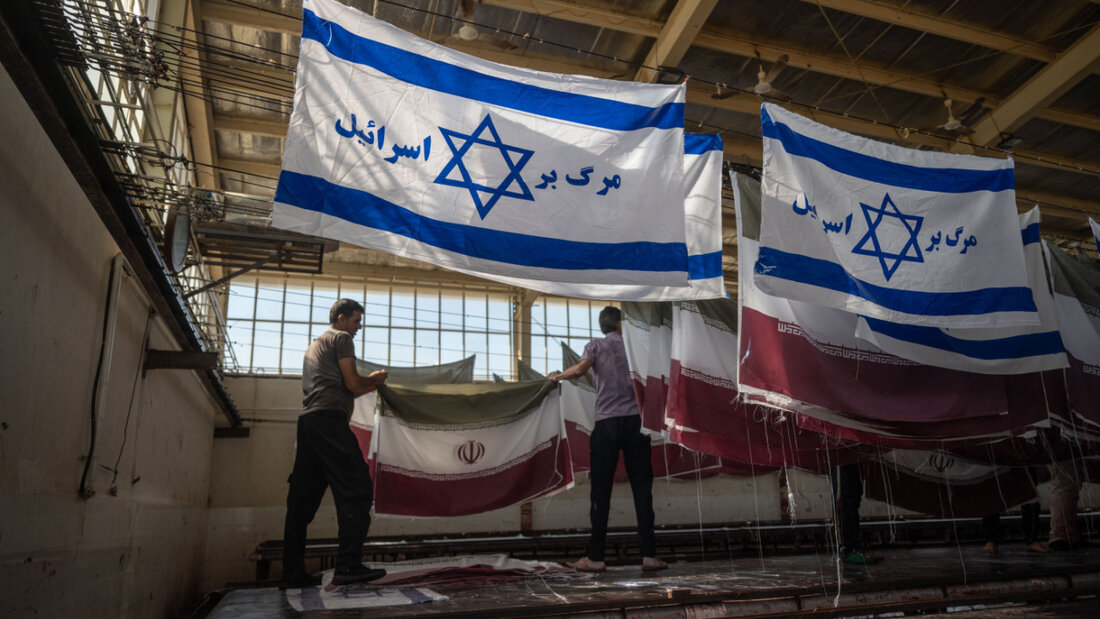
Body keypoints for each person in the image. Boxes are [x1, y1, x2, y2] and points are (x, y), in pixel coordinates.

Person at [280, 299, 390, 589]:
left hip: (310, 423)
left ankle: (291, 573)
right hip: (329, 422)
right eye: (356, 321)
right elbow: (353, 384)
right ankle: (348, 566)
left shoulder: (316, 345)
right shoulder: (340, 338)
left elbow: (344, 392)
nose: (359, 327)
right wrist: (374, 379)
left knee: (301, 502)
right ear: (341, 319)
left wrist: (367, 386)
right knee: (357, 488)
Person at [548, 306, 667, 572]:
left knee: (600, 493)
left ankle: (595, 558)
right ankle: (649, 556)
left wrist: (557, 376)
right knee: (642, 492)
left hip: (607, 425)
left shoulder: (596, 346)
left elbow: (580, 371)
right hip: (637, 424)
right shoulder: (636, 348)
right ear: (620, 325)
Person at [830, 463, 881, 565]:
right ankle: (847, 549)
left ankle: (855, 546)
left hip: (851, 458)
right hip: (841, 458)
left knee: (854, 496)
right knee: (844, 498)